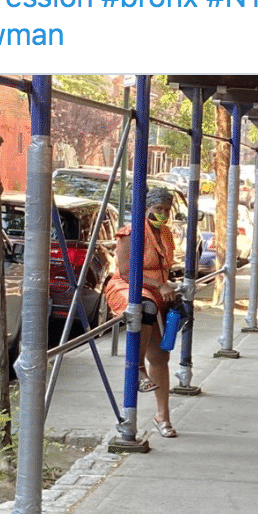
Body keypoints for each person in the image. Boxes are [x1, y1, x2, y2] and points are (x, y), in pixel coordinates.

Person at [105, 185, 181, 437]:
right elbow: (127, 271)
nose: (162, 214)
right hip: (129, 287)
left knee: (161, 356)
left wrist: (169, 289)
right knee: (145, 307)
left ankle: (163, 416)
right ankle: (137, 367)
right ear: (147, 207)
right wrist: (159, 285)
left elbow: (168, 266)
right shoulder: (131, 233)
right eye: (158, 209)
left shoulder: (167, 234)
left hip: (159, 291)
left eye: (166, 210)